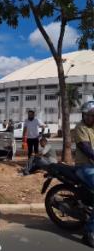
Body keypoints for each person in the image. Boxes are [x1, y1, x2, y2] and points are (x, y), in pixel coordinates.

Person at [72, 101, 94, 247]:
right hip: (84, 167)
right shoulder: (80, 128)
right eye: (91, 115)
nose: (93, 117)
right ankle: (89, 232)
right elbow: (86, 149)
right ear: (85, 115)